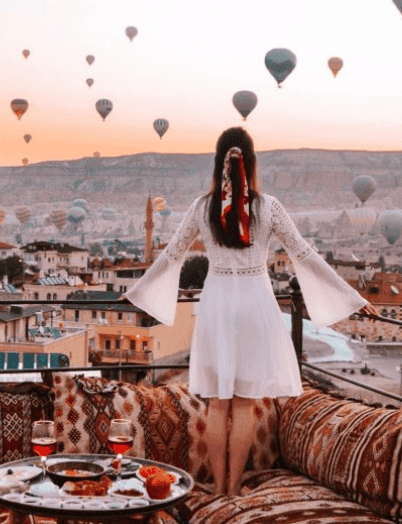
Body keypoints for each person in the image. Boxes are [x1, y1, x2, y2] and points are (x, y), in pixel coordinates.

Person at [126, 126, 378, 495]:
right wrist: (352, 297)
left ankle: (215, 489)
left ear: (217, 163)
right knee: (243, 405)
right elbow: (303, 253)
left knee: (217, 405)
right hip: (255, 304)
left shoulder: (202, 207)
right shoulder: (268, 207)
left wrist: (135, 292)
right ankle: (234, 486)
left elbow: (171, 254)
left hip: (216, 304)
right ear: (252, 161)